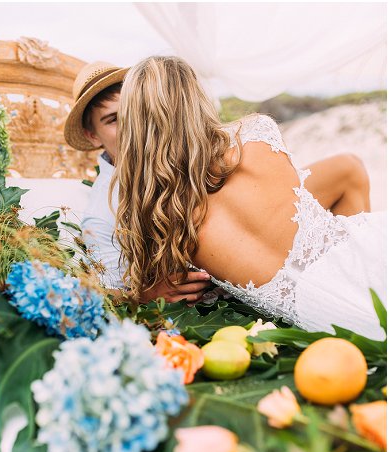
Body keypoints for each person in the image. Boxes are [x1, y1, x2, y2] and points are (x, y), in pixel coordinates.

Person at [112, 56, 385, 339]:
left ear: (133, 124)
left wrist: (143, 294)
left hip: (337, 321)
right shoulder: (257, 135)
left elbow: (171, 294)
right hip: (372, 259)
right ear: (198, 99)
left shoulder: (166, 227)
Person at [64, 61, 214, 304]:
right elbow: (109, 293)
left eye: (133, 112)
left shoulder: (187, 156)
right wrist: (147, 295)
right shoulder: (101, 214)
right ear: (92, 136)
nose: (130, 126)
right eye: (112, 119)